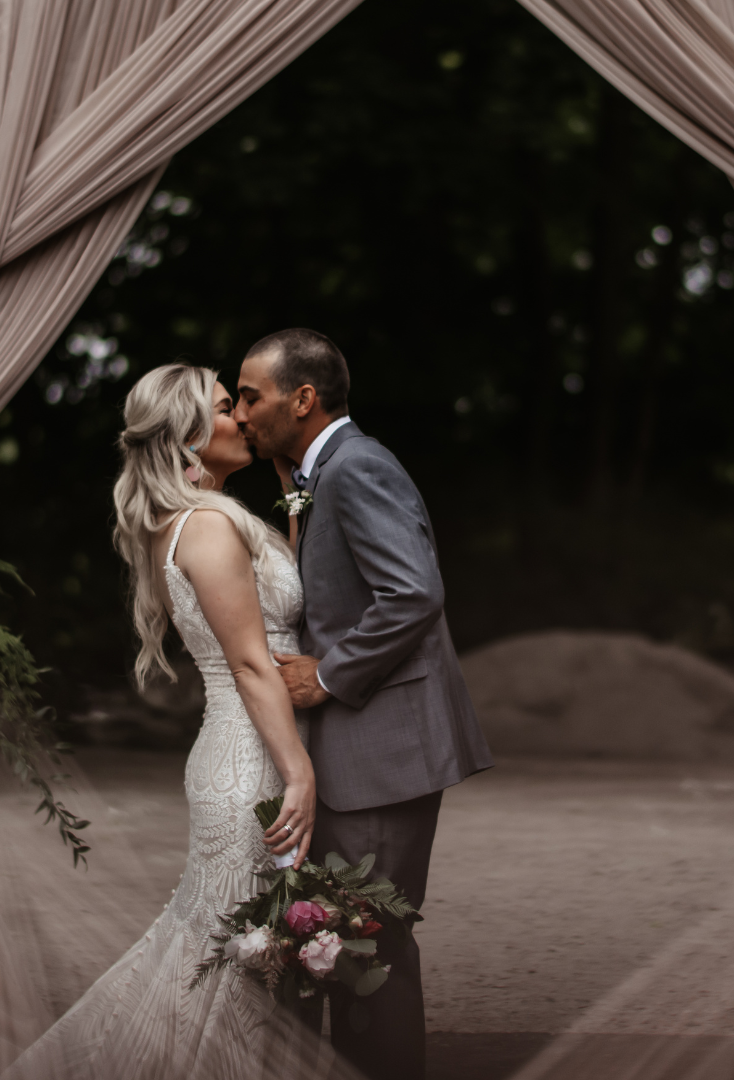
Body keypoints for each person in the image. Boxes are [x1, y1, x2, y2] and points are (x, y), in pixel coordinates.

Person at [0, 364, 327, 1080]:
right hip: (250, 761)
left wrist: (292, 480)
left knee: (236, 953)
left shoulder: (207, 516)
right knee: (229, 957)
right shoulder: (206, 528)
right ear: (185, 437)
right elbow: (249, 665)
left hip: (248, 746)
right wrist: (299, 771)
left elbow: (286, 598)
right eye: (223, 407)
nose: (242, 416)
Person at [234, 329, 494, 1080]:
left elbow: (412, 592)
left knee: (365, 948)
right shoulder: (318, 473)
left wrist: (331, 674)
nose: (243, 411)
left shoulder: (356, 468)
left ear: (303, 398)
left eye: (252, 395)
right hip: (361, 749)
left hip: (383, 752)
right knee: (344, 948)